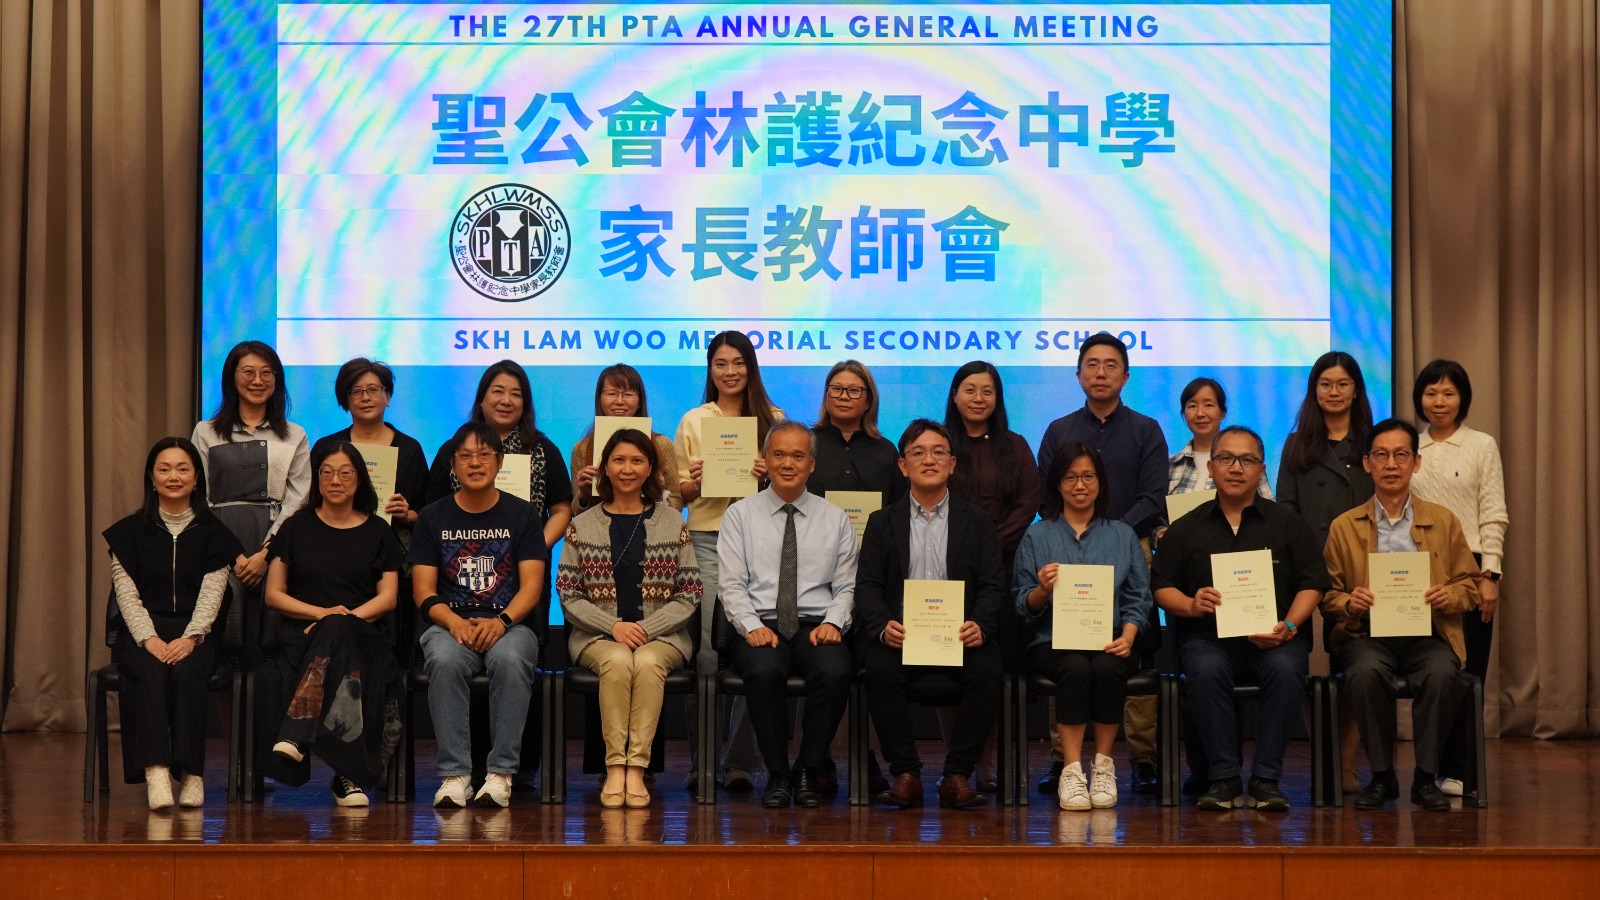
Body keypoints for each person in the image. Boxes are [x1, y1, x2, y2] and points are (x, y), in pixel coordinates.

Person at [1151, 426, 1328, 811]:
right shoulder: (1186, 527)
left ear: (1261, 469)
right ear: (1211, 467)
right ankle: (1224, 779)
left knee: (1287, 669)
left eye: (1247, 460)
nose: (1236, 468)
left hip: (1277, 638)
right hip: (1208, 638)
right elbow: (1161, 586)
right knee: (1205, 668)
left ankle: (1266, 779)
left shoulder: (1288, 523)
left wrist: (1290, 625)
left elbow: (1313, 583)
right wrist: (1191, 604)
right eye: (1226, 459)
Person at [1034, 332, 1168, 795]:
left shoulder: (1146, 429)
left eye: (1111, 365)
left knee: (1130, 650)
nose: (1101, 373)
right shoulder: (1059, 430)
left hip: (1132, 545)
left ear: (1125, 375)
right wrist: (1086, 535)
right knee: (1067, 648)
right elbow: (1045, 495)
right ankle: (1063, 760)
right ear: (1078, 374)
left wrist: (1113, 535)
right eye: (1092, 364)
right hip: (1067, 547)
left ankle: (1143, 758)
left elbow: (1154, 496)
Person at [1321, 419, 1478, 812]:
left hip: (1428, 633)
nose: (1391, 464)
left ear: (1415, 463)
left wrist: (1448, 595)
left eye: (1401, 455)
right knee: (1363, 674)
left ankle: (1425, 778)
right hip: (1367, 635)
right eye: (1381, 455)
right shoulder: (1344, 527)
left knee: (1443, 673)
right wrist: (1349, 603)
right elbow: (1326, 595)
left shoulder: (1443, 521)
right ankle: (1381, 777)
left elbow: (1470, 586)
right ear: (1367, 463)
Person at [856, 420, 1004, 810]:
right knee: (878, 665)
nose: (929, 460)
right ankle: (905, 774)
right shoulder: (881, 522)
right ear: (903, 466)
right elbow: (867, 585)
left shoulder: (978, 522)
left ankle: (957, 775)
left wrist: (980, 625)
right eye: (918, 452)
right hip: (903, 637)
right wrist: (882, 626)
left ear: (952, 464)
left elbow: (993, 585)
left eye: (938, 452)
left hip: (959, 637)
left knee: (988, 667)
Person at [557, 429, 702, 809]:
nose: (627, 469)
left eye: (637, 461)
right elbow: (569, 593)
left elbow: (689, 591)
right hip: (596, 638)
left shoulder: (672, 522)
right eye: (618, 460)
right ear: (604, 468)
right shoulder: (582, 524)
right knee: (619, 660)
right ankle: (614, 767)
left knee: (648, 661)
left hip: (664, 638)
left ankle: (636, 768)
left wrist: (645, 629)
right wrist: (613, 627)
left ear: (651, 468)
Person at [718, 421, 857, 808]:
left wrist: (833, 622)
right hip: (759, 623)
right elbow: (731, 584)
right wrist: (750, 627)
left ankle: (809, 769)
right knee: (764, 671)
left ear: (812, 463)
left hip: (816, 625)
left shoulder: (835, 518)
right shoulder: (740, 515)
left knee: (835, 672)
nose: (787, 463)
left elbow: (847, 585)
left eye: (798, 455)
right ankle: (777, 773)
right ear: (765, 460)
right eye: (778, 454)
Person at [410, 423, 548, 808]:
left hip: (509, 623)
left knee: (510, 659)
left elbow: (532, 586)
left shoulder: (523, 514)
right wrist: (453, 622)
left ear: (500, 462)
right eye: (466, 456)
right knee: (444, 660)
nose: (475, 463)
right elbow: (423, 590)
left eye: (484, 455)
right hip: (449, 624)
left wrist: (501, 622)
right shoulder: (432, 517)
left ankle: (501, 774)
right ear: (452, 465)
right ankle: (455, 776)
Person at [102, 437, 244, 810]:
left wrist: (192, 638)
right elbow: (126, 597)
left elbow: (212, 595)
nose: (174, 477)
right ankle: (157, 771)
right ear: (151, 478)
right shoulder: (128, 533)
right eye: (164, 469)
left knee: (187, 673)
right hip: (143, 632)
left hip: (196, 633)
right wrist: (147, 638)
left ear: (196, 478)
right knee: (149, 673)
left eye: (183, 469)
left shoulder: (214, 533)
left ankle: (193, 774)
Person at [262, 442, 406, 807]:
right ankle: (348, 778)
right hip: (303, 639)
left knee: (339, 631)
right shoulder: (295, 527)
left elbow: (388, 598)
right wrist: (321, 614)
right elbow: (273, 594)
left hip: (365, 637)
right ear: (317, 479)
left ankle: (296, 735)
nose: (335, 480)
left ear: (360, 479)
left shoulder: (378, 530)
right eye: (326, 473)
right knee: (335, 636)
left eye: (345, 473)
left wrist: (341, 619)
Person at [1014, 441, 1151, 811]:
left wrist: (1128, 636)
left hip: (1112, 640)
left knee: (1107, 667)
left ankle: (1103, 766)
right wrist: (1042, 591)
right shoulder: (1037, 535)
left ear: (1100, 482)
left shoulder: (1122, 535)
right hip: (1051, 642)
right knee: (1074, 666)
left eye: (1088, 476)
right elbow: (1021, 602)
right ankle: (1071, 770)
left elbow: (1139, 596)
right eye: (1070, 477)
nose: (1080, 485)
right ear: (1057, 484)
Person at [674, 332, 783, 791]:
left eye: (738, 362)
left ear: (751, 366)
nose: (730, 371)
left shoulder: (774, 420)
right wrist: (697, 482)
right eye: (721, 363)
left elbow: (790, 487)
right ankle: (703, 763)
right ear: (710, 369)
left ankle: (740, 762)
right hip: (706, 540)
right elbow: (677, 496)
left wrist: (767, 477)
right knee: (705, 653)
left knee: (759, 649)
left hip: (762, 543)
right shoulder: (694, 420)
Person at [1275, 350, 1376, 792]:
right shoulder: (1297, 443)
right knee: (1307, 666)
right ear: (1314, 390)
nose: (1334, 392)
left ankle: (1347, 762)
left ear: (1356, 390)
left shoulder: (1372, 442)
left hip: (1360, 571)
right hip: (1307, 570)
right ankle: (1322, 754)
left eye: (1343, 384)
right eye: (1325, 384)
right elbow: (1285, 509)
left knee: (1351, 664)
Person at [1409, 360, 1507, 798]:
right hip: (1417, 572)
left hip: (1471, 568)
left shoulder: (1481, 445)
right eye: (1431, 393)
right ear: (1420, 398)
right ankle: (1428, 770)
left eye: (1448, 393)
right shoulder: (1409, 447)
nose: (1439, 401)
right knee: (1433, 672)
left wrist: (1491, 575)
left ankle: (1461, 771)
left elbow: (1493, 513)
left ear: (1462, 398)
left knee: (1468, 673)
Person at [944, 360, 1040, 791]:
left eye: (987, 390)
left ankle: (984, 766)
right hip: (945, 574)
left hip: (1002, 572)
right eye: (969, 389)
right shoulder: (940, 444)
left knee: (991, 670)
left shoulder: (1015, 446)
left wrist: (986, 546)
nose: (978, 398)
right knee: (947, 668)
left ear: (998, 398)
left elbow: (1028, 503)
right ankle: (957, 764)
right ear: (955, 396)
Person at [190, 340, 312, 663]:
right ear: (232, 377)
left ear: (277, 380)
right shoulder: (205, 432)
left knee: (270, 647)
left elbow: (298, 499)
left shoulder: (295, 435)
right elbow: (199, 498)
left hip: (276, 547)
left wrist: (266, 555)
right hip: (220, 545)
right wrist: (234, 555)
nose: (257, 381)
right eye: (248, 372)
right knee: (222, 643)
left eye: (266, 373)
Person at [310, 357, 430, 538]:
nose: (365, 398)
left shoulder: (409, 449)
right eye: (356, 392)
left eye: (373, 390)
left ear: (387, 396)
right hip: (331, 539)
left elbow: (426, 510)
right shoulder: (326, 447)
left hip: (391, 544)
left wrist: (407, 515)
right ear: (345, 400)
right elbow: (310, 502)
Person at [568, 364, 683, 515]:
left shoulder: (661, 444)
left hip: (649, 527)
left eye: (628, 394)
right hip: (599, 528)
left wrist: (658, 493)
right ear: (599, 399)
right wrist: (584, 495)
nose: (619, 401)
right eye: (611, 394)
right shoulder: (582, 448)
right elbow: (576, 513)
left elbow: (677, 502)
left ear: (640, 400)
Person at [807, 359, 908, 506]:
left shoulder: (886, 451)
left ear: (868, 401)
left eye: (854, 390)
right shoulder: (804, 444)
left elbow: (900, 506)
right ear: (826, 396)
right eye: (836, 389)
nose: (843, 397)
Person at [1167, 377, 1273, 502]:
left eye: (1208, 405)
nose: (1200, 413)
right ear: (1184, 413)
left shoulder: (1247, 461)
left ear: (1222, 412)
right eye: (1192, 406)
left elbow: (1269, 510)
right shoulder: (1170, 465)